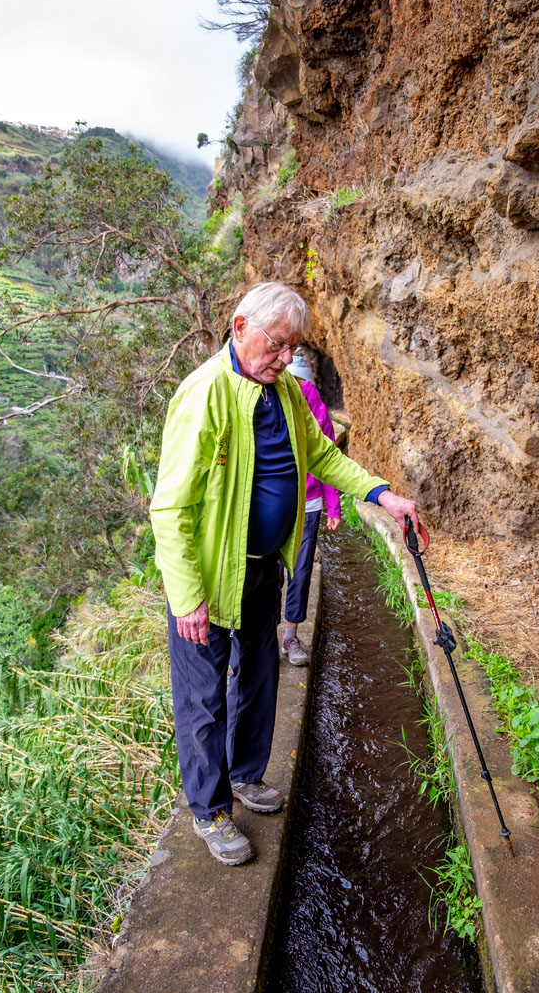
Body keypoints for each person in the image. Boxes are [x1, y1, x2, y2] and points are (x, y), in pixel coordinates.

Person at [150, 281, 421, 866]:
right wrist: (187, 598)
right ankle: (210, 811)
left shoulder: (288, 393)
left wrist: (379, 492)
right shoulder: (204, 395)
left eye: (293, 347)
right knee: (203, 699)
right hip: (208, 579)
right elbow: (169, 508)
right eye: (277, 345)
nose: (285, 357)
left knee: (258, 676)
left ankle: (247, 776)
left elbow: (320, 454)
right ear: (240, 326)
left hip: (260, 571)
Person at [281, 348, 340, 665]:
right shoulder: (267, 398)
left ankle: (290, 636)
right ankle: (261, 637)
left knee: (300, 571)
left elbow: (327, 457)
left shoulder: (312, 401)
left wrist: (334, 507)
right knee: (271, 572)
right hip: (277, 502)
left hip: (310, 503)